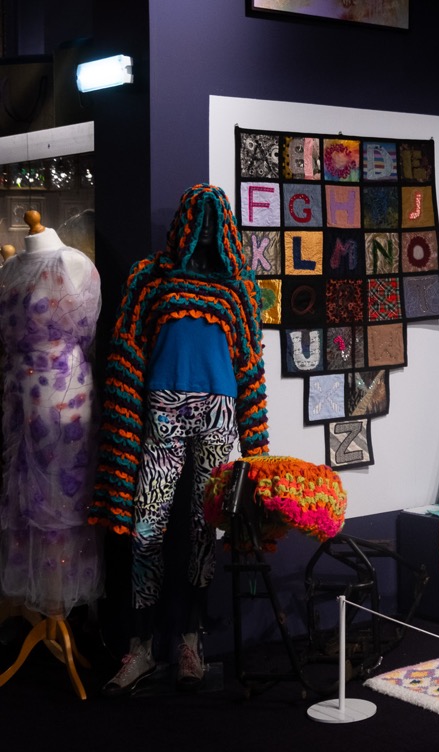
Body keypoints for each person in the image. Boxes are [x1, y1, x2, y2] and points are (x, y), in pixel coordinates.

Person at [91, 184, 269, 695]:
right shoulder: (151, 278)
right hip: (162, 411)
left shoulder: (238, 288)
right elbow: (126, 348)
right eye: (199, 219)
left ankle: (191, 642)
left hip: (219, 415)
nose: (207, 229)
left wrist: (258, 452)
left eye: (217, 221)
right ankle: (142, 648)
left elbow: (250, 368)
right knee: (146, 527)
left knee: (202, 529)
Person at [0, 211, 101, 618]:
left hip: (64, 396)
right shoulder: (9, 268)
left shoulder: (73, 263)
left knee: (63, 494)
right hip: (19, 395)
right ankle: (34, 602)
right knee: (24, 492)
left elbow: (88, 329)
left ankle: (59, 602)